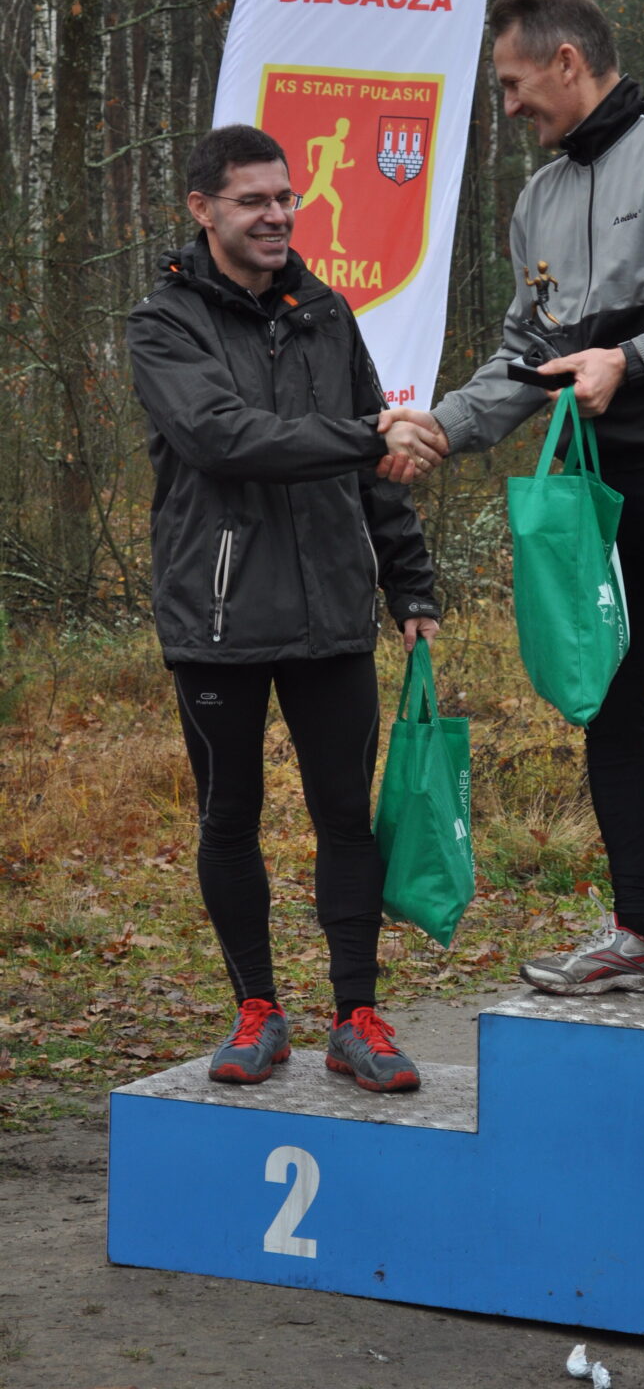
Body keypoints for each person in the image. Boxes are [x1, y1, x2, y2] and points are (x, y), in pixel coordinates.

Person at [381, 0, 644, 1026]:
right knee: (606, 696)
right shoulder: (537, 200)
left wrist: (630, 360)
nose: (508, 104)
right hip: (590, 487)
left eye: (515, 83)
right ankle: (641, 936)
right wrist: (442, 425)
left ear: (566, 61)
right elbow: (528, 355)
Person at [127, 124, 447, 1090]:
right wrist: (368, 433)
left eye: (284, 197)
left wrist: (409, 581)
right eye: (253, 201)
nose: (276, 216)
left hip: (331, 612)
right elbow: (224, 438)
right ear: (202, 209)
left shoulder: (327, 312)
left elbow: (379, 474)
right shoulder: (165, 323)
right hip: (217, 616)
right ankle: (257, 1011)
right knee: (229, 820)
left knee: (346, 818)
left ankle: (356, 1017)